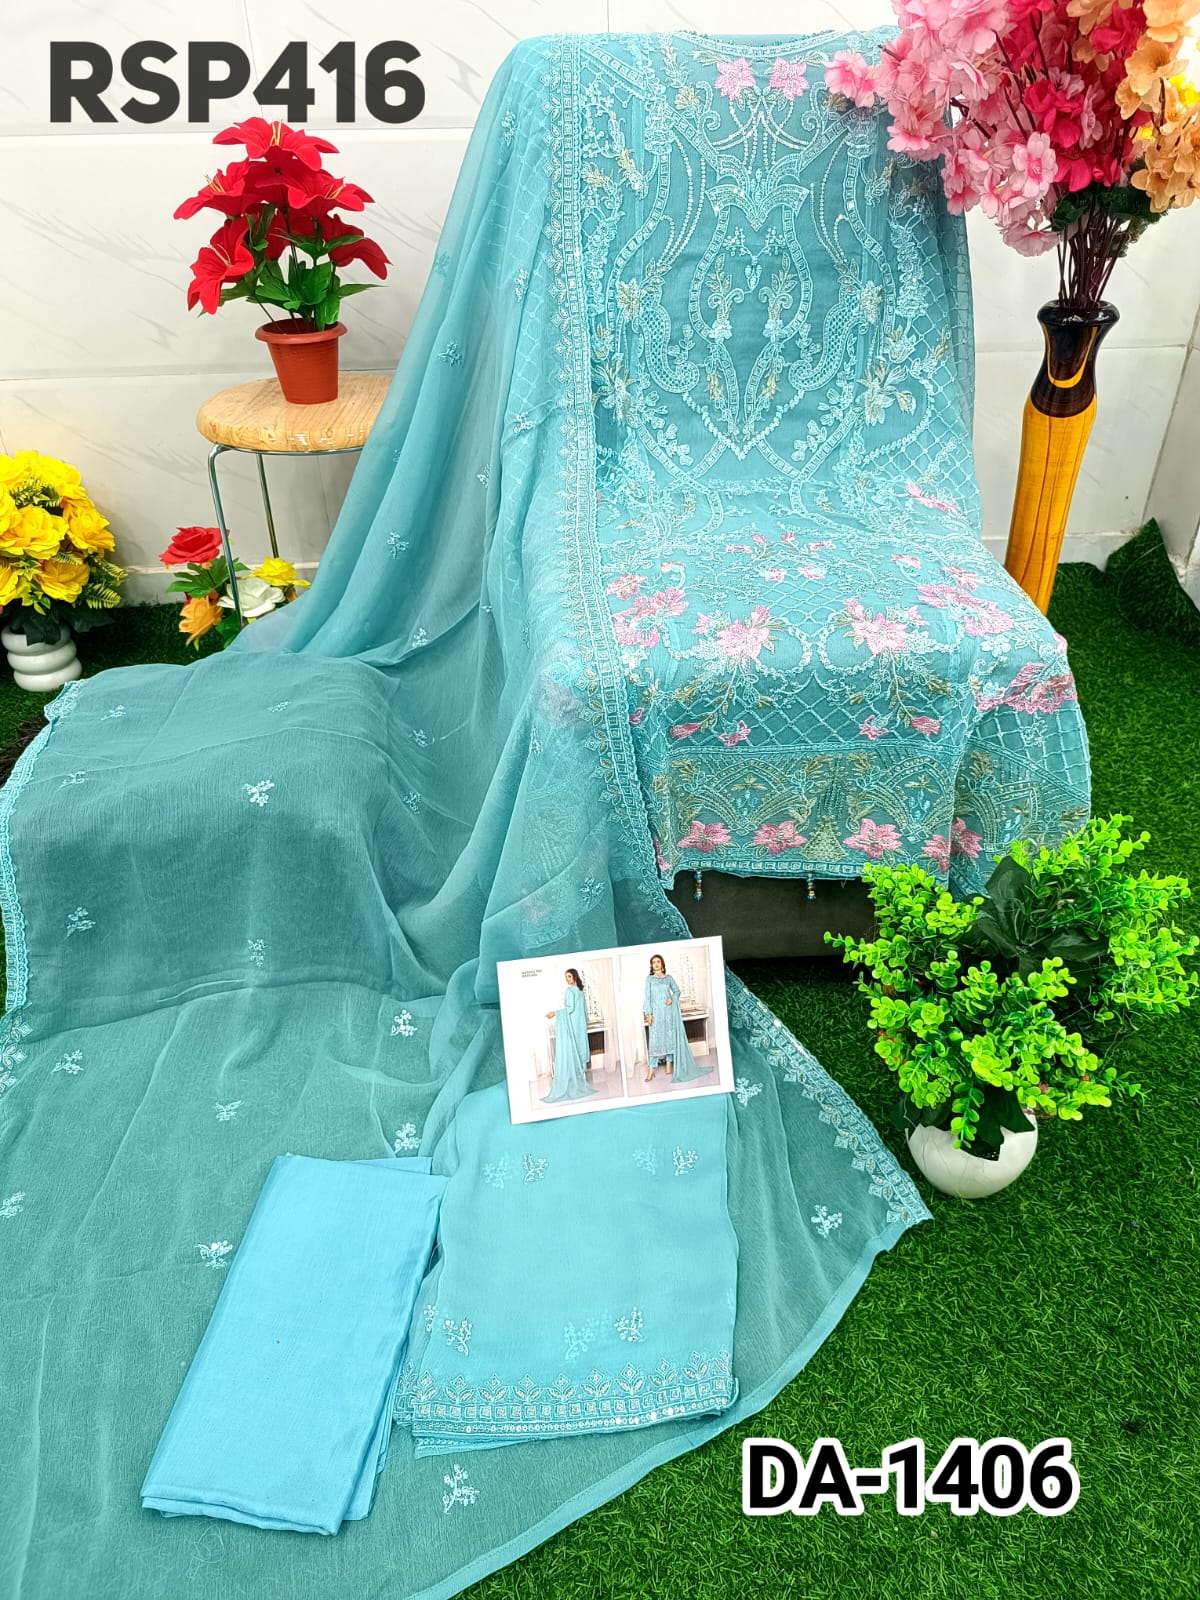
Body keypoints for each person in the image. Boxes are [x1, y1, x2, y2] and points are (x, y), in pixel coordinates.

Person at [642, 954, 711, 1084]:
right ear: (651, 965)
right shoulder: (649, 979)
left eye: (658, 961)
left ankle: (669, 1063)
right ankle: (652, 1068)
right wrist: (649, 1014)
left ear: (662, 964)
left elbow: (677, 991)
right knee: (655, 1041)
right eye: (653, 962)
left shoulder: (669, 978)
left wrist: (672, 998)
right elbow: (647, 997)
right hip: (656, 1014)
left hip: (669, 1013)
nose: (656, 964)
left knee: (669, 1037)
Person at [541, 968, 596, 1103]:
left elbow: (570, 1009)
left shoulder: (570, 991)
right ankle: (581, 1079)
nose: (567, 979)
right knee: (580, 1048)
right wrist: (584, 1022)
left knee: (574, 1049)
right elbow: (584, 1011)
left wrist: (555, 1013)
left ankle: (577, 1080)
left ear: (575, 977)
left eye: (569, 977)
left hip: (573, 1025)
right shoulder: (580, 992)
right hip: (581, 1025)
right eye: (566, 977)